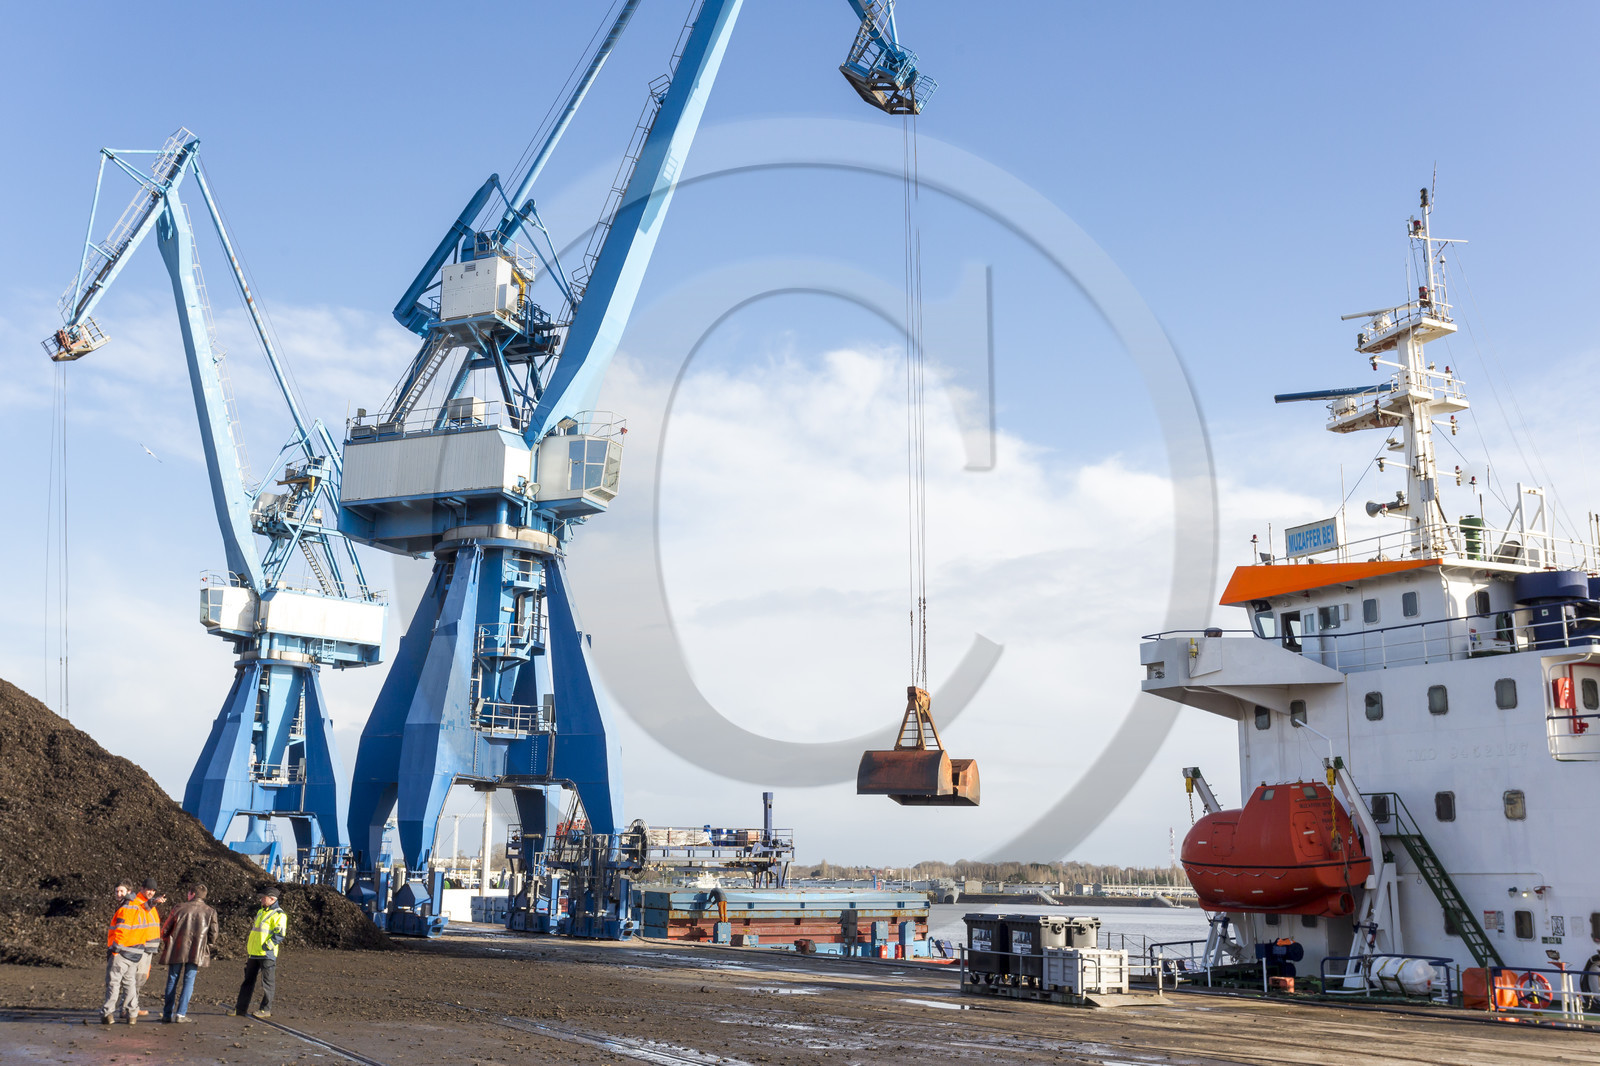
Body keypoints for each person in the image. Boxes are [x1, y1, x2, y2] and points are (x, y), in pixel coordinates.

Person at [157, 883, 218, 1023]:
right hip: (196, 950)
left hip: (177, 948)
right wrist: (206, 945)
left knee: (172, 979)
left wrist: (168, 941)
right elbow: (213, 935)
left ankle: (167, 1014)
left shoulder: (179, 908)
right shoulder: (210, 911)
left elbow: (165, 929)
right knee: (189, 981)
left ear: (192, 894)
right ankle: (181, 1014)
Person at [102, 881, 156, 1024]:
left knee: (113, 983)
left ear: (129, 891)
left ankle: (108, 1014)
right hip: (135, 952)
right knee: (129, 984)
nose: (118, 894)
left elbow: (122, 930)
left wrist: (115, 950)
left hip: (122, 952)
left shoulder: (126, 908)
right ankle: (132, 1015)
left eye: (121, 891)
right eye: (116, 891)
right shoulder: (138, 906)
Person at [233, 887, 287, 1019]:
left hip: (266, 954)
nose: (261, 899)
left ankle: (265, 1010)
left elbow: (279, 935)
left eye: (264, 897)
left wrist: (266, 946)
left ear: (272, 899)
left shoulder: (279, 915)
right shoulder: (261, 911)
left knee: (267, 983)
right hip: (254, 953)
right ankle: (240, 1009)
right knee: (248, 982)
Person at [130, 879, 165, 1017]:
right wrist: (153, 902)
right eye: (149, 889)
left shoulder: (149, 905)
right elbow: (141, 909)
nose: (151, 892)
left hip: (148, 948)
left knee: (141, 978)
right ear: (142, 888)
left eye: (153, 890)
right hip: (141, 947)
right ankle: (130, 1008)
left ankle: (130, 1006)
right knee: (136, 978)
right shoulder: (137, 902)